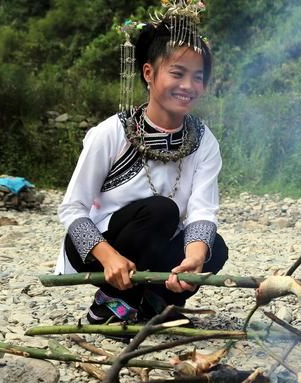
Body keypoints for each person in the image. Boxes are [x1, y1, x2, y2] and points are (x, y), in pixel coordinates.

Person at [54, 1, 228, 325]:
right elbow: (72, 209)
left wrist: (193, 258)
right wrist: (108, 256)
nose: (188, 86)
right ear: (149, 73)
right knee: (162, 210)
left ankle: (152, 302)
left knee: (214, 247)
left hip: (157, 247)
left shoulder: (204, 141)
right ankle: (109, 303)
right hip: (100, 250)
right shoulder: (111, 133)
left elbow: (203, 210)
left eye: (198, 77)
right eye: (177, 73)